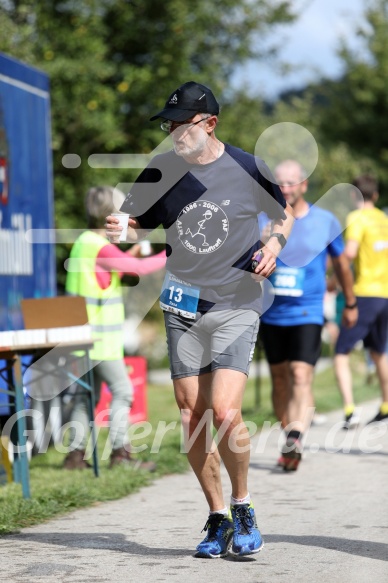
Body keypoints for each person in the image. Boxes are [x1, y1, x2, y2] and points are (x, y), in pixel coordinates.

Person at [106, 81, 294, 558]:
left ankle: (243, 503)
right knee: (193, 416)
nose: (172, 132)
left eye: (181, 123)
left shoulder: (250, 167)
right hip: (182, 304)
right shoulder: (161, 169)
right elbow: (138, 226)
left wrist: (272, 247)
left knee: (226, 412)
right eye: (168, 124)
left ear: (209, 123)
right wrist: (121, 228)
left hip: (236, 301)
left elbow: (282, 216)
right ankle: (217, 516)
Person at [259, 160, 358, 471]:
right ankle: (290, 434)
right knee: (279, 378)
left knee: (301, 374)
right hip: (271, 313)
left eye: (291, 182)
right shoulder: (264, 218)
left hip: (308, 310)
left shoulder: (325, 220)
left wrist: (351, 303)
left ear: (304, 185)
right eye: (280, 183)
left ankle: (295, 436)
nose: (285, 188)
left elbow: (342, 265)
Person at [63, 186, 166, 470]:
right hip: (100, 341)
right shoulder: (101, 247)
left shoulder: (84, 242)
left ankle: (75, 455)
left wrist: (129, 257)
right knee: (123, 392)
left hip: (82, 338)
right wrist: (172, 252)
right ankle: (121, 454)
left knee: (88, 397)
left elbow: (107, 275)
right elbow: (140, 269)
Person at [334, 175, 388, 427]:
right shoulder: (383, 219)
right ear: (375, 196)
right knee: (379, 352)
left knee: (341, 352)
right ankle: (386, 405)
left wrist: (335, 277)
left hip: (364, 293)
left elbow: (350, 253)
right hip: (385, 294)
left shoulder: (356, 218)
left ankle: (349, 411)